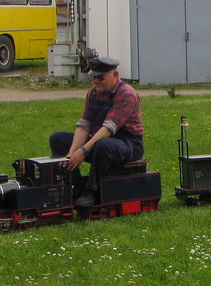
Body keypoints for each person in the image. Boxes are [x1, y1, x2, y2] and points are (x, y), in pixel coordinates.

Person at [49, 56, 144, 208]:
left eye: (100, 77)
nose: (96, 81)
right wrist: (71, 153)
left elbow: (108, 128)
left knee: (102, 144)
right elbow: (84, 125)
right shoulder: (92, 94)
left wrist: (83, 151)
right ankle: (76, 185)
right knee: (57, 139)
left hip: (129, 144)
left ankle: (91, 191)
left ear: (115, 75)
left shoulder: (127, 94)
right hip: (100, 139)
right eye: (94, 77)